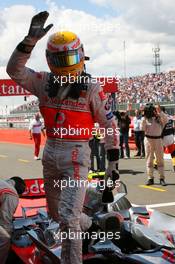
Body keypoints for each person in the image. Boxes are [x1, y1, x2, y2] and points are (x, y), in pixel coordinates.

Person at [7, 11, 120, 264]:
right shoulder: (43, 82)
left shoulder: (92, 88)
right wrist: (29, 41)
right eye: (60, 57)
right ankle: (94, 224)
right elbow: (14, 70)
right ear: (49, 59)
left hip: (76, 156)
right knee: (57, 215)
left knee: (68, 217)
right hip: (50, 155)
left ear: (81, 56)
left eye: (70, 56)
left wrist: (113, 165)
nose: (66, 62)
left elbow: (110, 125)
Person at [141, 104, 168, 186]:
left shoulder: (159, 118)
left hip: (158, 139)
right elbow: (142, 129)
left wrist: (160, 112)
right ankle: (150, 178)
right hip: (148, 139)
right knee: (149, 160)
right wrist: (144, 119)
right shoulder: (145, 119)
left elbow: (166, 120)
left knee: (160, 159)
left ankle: (162, 178)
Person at [0, 177, 26, 264]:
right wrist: (11, 232)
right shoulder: (12, 193)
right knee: (5, 238)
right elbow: (5, 220)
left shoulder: (2, 183)